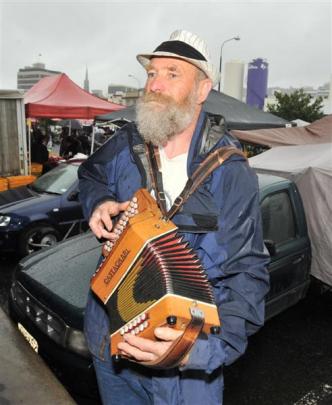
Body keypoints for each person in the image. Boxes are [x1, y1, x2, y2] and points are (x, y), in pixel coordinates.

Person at [78, 29, 270, 405]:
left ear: (202, 90)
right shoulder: (126, 141)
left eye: (172, 73)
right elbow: (91, 174)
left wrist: (197, 352)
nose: (155, 84)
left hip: (184, 366)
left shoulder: (229, 170)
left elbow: (247, 272)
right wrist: (99, 201)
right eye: (152, 73)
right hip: (112, 344)